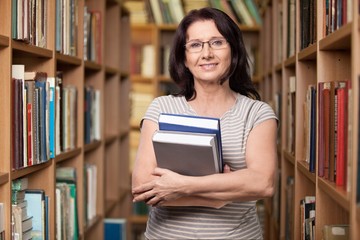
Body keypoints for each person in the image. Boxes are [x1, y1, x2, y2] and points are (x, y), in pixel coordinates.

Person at [131, 7, 278, 239]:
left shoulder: (257, 113)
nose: (206, 53)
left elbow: (262, 183)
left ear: (234, 51)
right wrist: (221, 195)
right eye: (196, 45)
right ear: (184, 58)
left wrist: (181, 186)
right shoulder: (161, 108)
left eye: (217, 42)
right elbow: (143, 187)